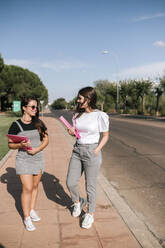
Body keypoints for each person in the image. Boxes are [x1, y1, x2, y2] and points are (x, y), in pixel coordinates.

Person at [66, 86, 109, 229]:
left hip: (92, 151)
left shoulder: (100, 115)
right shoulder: (77, 115)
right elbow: (78, 134)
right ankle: (78, 202)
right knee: (70, 182)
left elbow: (105, 135)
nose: (77, 100)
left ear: (88, 99)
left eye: (80, 98)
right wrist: (72, 132)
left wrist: (97, 150)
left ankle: (90, 214)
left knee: (90, 186)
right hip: (77, 150)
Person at [7, 97, 49, 231]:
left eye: (36, 107)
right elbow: (10, 145)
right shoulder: (16, 125)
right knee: (28, 188)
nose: (35, 109)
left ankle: (31, 210)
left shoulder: (38, 123)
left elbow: (46, 140)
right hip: (23, 159)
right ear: (24, 108)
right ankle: (26, 218)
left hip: (38, 158)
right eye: (32, 107)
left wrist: (37, 149)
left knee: (35, 186)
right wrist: (20, 144)